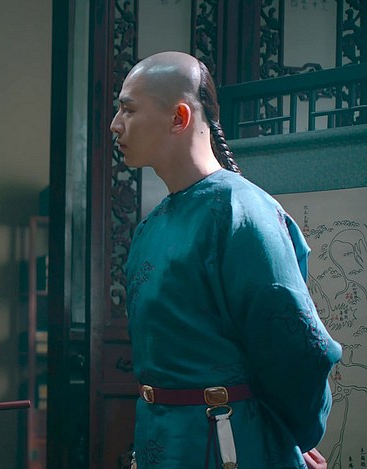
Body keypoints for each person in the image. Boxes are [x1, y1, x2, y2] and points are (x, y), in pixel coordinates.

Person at [110, 51, 341, 468]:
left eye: (128, 109)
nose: (115, 124)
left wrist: (287, 434)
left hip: (227, 442)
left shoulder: (243, 211)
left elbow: (297, 349)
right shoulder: (149, 227)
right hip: (161, 438)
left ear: (179, 117)